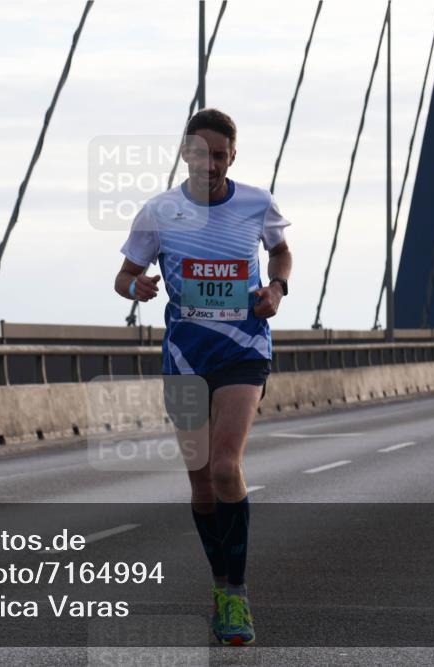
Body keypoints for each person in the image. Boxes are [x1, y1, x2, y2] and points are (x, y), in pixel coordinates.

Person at [114, 108, 293, 646]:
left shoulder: (257, 203)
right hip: (185, 358)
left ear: (232, 155)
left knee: (223, 466)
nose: (209, 163)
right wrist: (136, 289)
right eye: (200, 153)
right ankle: (219, 585)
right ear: (186, 154)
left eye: (220, 154)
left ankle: (235, 597)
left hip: (244, 350)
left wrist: (276, 290)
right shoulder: (159, 212)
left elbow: (280, 252)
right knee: (200, 482)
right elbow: (124, 275)